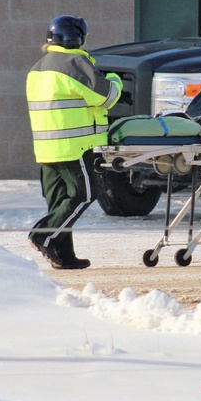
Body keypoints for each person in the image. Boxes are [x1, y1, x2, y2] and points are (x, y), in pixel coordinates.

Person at [26, 15, 122, 269]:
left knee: (59, 202)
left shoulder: (38, 68)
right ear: (75, 38)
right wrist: (115, 80)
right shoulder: (74, 62)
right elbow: (105, 97)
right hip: (74, 146)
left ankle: (64, 255)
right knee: (84, 195)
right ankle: (43, 234)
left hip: (46, 148)